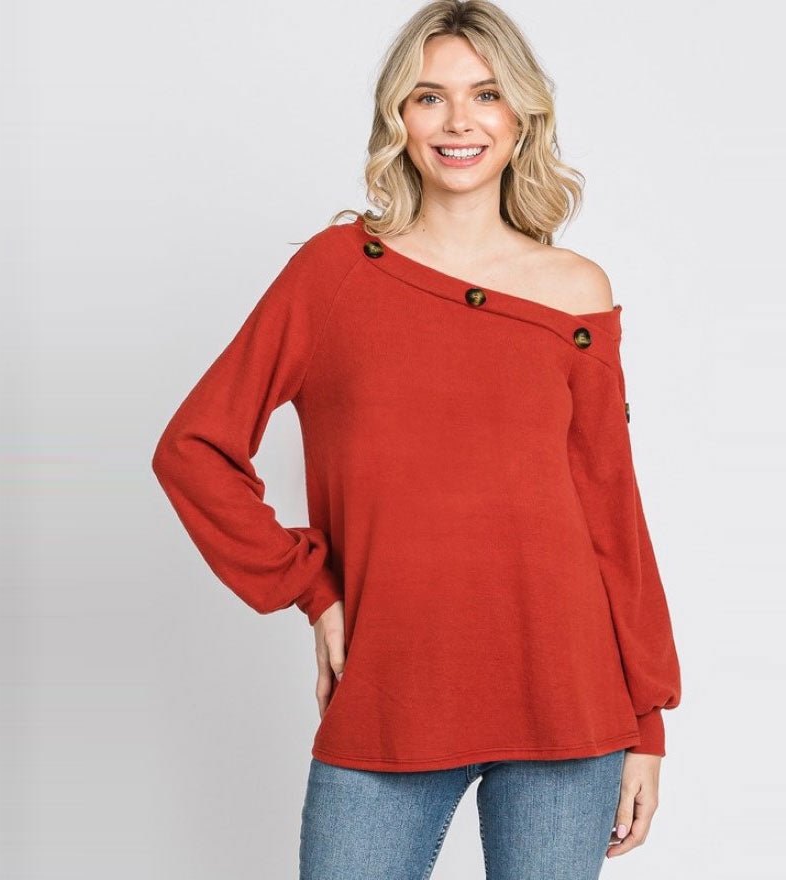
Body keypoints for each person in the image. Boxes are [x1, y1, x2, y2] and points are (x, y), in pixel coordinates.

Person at [151, 2, 682, 877]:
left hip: (570, 695)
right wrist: (311, 587)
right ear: (399, 116)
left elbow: (611, 513)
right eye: (430, 96)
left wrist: (648, 721)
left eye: (486, 94)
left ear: (522, 116)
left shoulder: (576, 290)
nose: (459, 121)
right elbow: (194, 448)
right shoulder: (333, 274)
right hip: (392, 690)